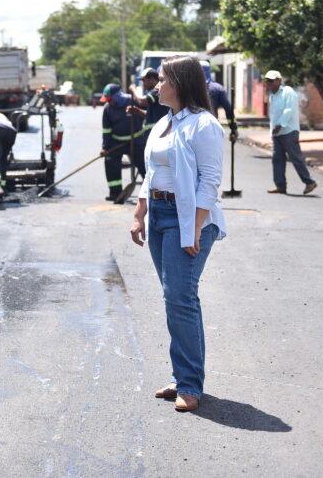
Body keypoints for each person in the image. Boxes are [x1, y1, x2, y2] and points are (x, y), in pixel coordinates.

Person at [129, 54, 227, 413]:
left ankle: (189, 384)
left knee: (180, 298)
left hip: (188, 219)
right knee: (176, 299)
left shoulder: (204, 125)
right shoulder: (163, 124)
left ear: (181, 84)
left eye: (163, 80)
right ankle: (181, 375)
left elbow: (210, 182)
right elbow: (151, 174)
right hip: (159, 217)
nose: (157, 86)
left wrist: (196, 227)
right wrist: (139, 214)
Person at [264, 70, 317, 195]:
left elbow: (289, 110)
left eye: (271, 80)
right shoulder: (272, 95)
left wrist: (280, 125)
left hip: (289, 131)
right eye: (267, 81)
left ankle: (309, 182)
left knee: (295, 158)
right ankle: (280, 186)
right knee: (277, 159)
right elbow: (273, 115)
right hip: (277, 133)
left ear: (279, 81)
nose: (269, 83)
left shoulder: (288, 92)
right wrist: (273, 130)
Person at [101, 83, 145, 202]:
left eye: (110, 99)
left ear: (117, 97)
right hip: (117, 142)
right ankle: (115, 193)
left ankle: (152, 191)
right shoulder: (107, 109)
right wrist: (105, 148)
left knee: (144, 165)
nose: (108, 102)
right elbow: (106, 131)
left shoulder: (133, 101)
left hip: (135, 141)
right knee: (110, 162)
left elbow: (146, 117)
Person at [200, 61, 239, 142]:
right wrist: (233, 128)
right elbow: (228, 110)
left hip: (192, 129)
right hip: (212, 127)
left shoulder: (189, 89)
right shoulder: (217, 88)